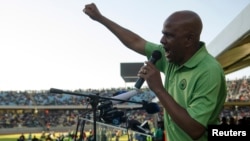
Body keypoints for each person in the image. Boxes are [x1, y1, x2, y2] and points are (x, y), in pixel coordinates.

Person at [83, 3, 227, 141]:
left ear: (188, 39)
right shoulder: (172, 56)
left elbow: (195, 129)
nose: (162, 40)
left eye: (169, 35)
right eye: (163, 34)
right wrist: (100, 18)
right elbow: (135, 41)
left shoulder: (209, 71)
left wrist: (158, 89)